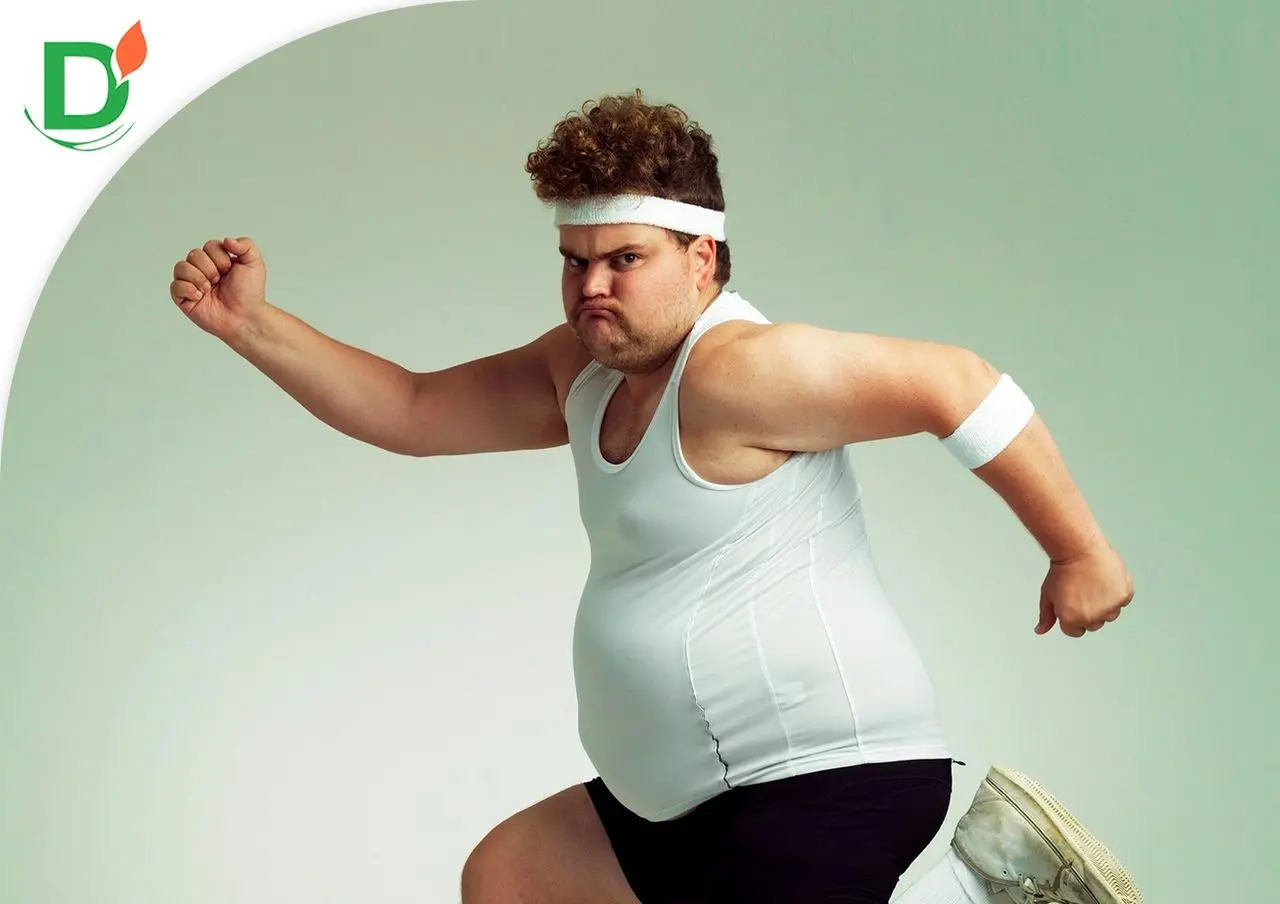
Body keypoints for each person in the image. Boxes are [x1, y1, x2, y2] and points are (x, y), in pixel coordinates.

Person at [167, 91, 1142, 904]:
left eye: (624, 259)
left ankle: (980, 892)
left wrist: (1079, 552)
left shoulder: (738, 369)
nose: (591, 285)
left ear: (700, 258)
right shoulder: (582, 371)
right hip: (677, 804)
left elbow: (956, 384)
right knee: (511, 877)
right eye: (574, 260)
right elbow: (412, 409)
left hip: (818, 783)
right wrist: (251, 326)